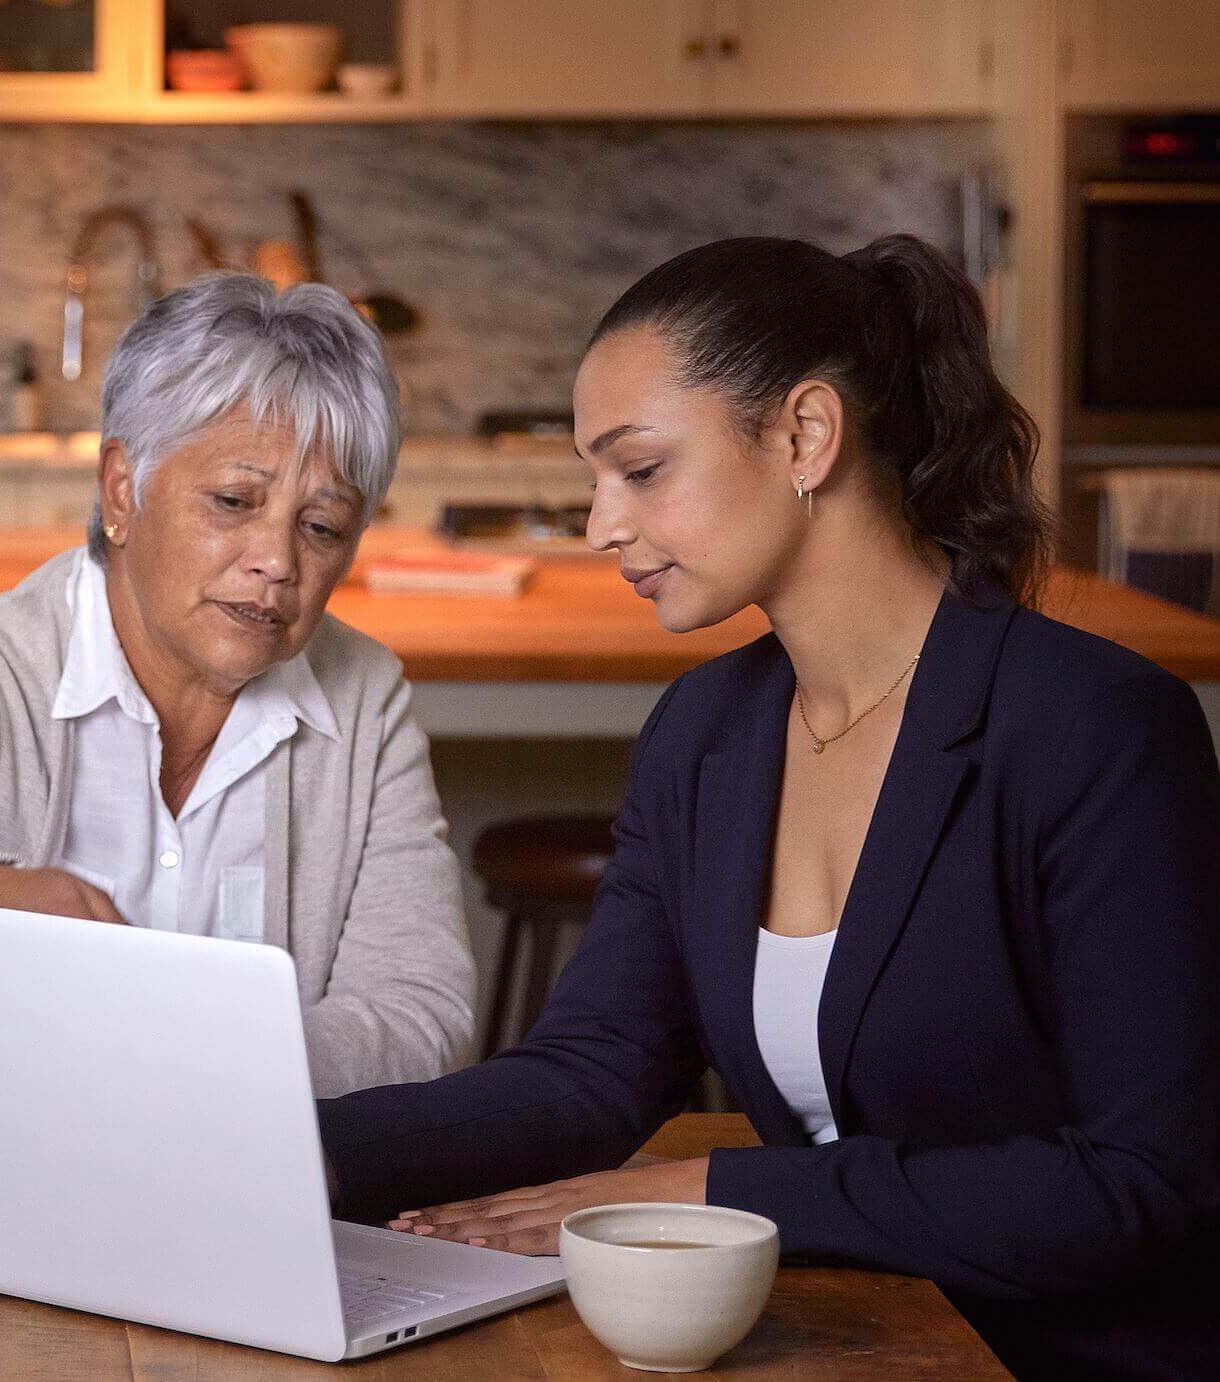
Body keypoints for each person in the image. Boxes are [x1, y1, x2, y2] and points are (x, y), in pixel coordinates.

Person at [318, 236, 1220, 1380]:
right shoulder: (705, 735)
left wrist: (716, 1187)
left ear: (805, 434)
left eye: (640, 469)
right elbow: (590, 1072)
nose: (601, 524)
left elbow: (1136, 1180)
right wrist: (295, 1148)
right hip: (843, 1338)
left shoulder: (1097, 728)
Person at [0, 273, 475, 1110]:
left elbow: (425, 1017)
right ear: (121, 490)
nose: (279, 561)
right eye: (233, 501)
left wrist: (180, 1057)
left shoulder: (365, 700)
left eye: (321, 527)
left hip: (233, 1198)